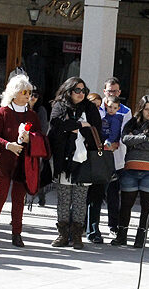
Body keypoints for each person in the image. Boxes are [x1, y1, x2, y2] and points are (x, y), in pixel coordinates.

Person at [0, 75, 41, 248]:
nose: (28, 96)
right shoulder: (3, 112)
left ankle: (17, 233)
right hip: (4, 162)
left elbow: (40, 136)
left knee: (18, 199)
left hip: (24, 164)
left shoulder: (31, 114)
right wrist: (8, 145)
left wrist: (30, 139)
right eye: (25, 92)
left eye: (30, 92)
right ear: (14, 92)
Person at [48, 76, 102, 249]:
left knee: (80, 199)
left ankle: (77, 236)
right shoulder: (60, 106)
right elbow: (56, 126)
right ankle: (63, 235)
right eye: (77, 90)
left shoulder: (90, 108)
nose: (80, 94)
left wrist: (74, 127)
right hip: (64, 161)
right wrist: (79, 124)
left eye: (83, 91)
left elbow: (95, 130)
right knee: (64, 199)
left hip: (84, 160)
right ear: (69, 91)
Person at [111, 95, 149, 247]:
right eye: (146, 109)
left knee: (147, 207)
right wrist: (145, 138)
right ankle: (121, 236)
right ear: (141, 109)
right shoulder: (132, 123)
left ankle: (140, 239)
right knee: (126, 204)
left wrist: (136, 141)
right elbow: (125, 139)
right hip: (131, 169)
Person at [91, 77, 131, 242]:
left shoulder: (125, 111)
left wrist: (115, 144)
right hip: (98, 158)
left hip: (116, 158)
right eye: (109, 91)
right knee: (95, 195)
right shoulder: (98, 109)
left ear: (119, 93)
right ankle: (93, 229)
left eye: (115, 91)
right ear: (104, 91)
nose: (112, 94)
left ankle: (113, 227)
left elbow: (125, 133)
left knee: (113, 195)